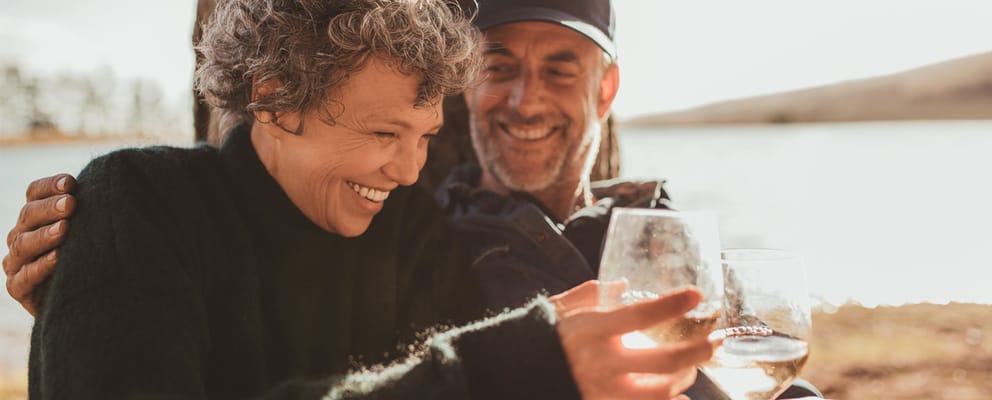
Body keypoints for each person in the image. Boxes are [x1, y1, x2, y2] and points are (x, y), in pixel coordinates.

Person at [12, 0, 718, 399]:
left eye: (426, 136)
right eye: (384, 131)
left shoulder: (412, 230)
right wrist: (505, 370)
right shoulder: (138, 206)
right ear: (273, 97)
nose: (411, 170)